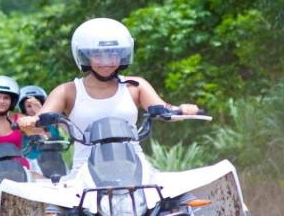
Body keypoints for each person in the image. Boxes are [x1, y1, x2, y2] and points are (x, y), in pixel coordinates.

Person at [18, 18, 199, 171]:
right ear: (85, 56)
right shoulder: (67, 91)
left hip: (135, 166)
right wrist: (29, 122)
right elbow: (41, 119)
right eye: (99, 55)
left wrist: (183, 110)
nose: (107, 61)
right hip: (85, 171)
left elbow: (164, 110)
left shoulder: (136, 86)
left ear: (123, 56)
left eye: (114, 54)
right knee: (58, 211)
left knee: (176, 204)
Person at [18, 85, 63, 173]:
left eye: (36, 105)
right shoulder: (21, 124)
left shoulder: (52, 124)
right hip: (31, 163)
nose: (33, 109)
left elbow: (50, 137)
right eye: (29, 106)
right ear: (23, 108)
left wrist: (41, 115)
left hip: (54, 162)